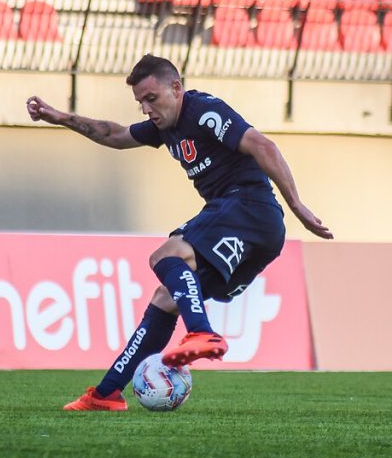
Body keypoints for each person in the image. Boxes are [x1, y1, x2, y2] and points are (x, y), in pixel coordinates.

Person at [26, 54, 333, 411]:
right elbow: (115, 134)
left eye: (151, 98)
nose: (145, 109)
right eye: (140, 102)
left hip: (249, 208)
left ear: (176, 88)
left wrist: (297, 206)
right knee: (166, 296)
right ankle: (107, 393)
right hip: (249, 226)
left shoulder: (201, 110)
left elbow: (262, 145)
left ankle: (201, 331)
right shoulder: (164, 127)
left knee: (166, 255)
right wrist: (59, 117)